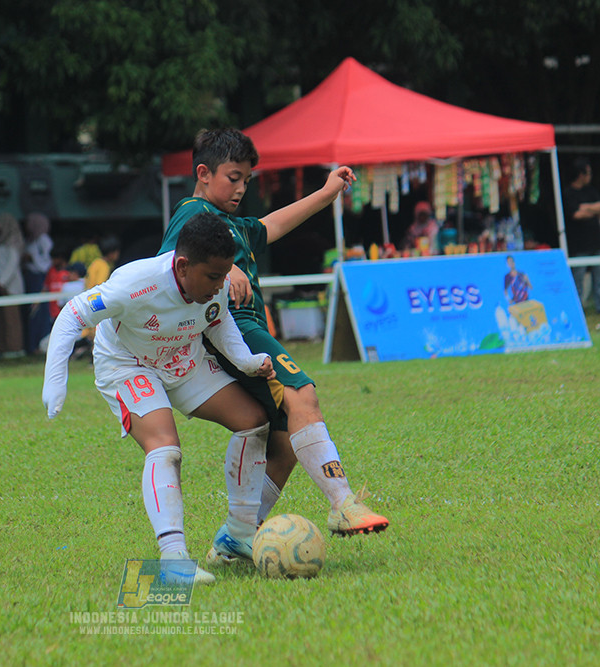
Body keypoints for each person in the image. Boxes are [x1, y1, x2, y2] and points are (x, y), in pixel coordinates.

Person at [158, 128, 389, 568]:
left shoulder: (234, 225)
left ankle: (237, 538)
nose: (242, 188)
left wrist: (326, 193)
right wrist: (224, 277)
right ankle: (343, 503)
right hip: (233, 330)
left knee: (281, 439)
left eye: (247, 179)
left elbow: (273, 224)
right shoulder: (192, 215)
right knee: (303, 393)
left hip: (245, 331)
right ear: (203, 174)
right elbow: (172, 266)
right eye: (233, 177)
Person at [42, 213, 276, 585]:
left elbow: (217, 321)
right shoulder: (135, 284)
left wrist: (247, 362)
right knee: (165, 447)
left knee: (253, 422)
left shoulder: (212, 286)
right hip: (127, 364)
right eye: (214, 277)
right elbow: (72, 314)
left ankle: (241, 531)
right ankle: (173, 562)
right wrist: (56, 379)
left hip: (182, 356)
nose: (221, 286)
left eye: (224, 275)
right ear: (182, 266)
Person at [563, 157, 600, 314]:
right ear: (580, 174)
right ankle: (578, 309)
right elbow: (576, 215)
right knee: (578, 278)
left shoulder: (591, 190)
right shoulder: (569, 193)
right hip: (579, 244)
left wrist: (586, 207)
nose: (590, 176)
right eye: (588, 173)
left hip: (597, 241)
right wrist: (592, 210)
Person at [0, 213, 26, 358]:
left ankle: (14, 348)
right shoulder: (2, 243)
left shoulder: (12, 244)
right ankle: (4, 347)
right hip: (2, 287)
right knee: (3, 319)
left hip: (10, 288)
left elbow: (11, 265)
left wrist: (2, 282)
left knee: (12, 319)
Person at [23, 211, 54, 354]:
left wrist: (31, 258)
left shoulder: (43, 239)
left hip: (39, 278)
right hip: (32, 278)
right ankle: (33, 345)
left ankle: (40, 344)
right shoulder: (32, 239)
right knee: (33, 312)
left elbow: (45, 261)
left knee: (40, 311)